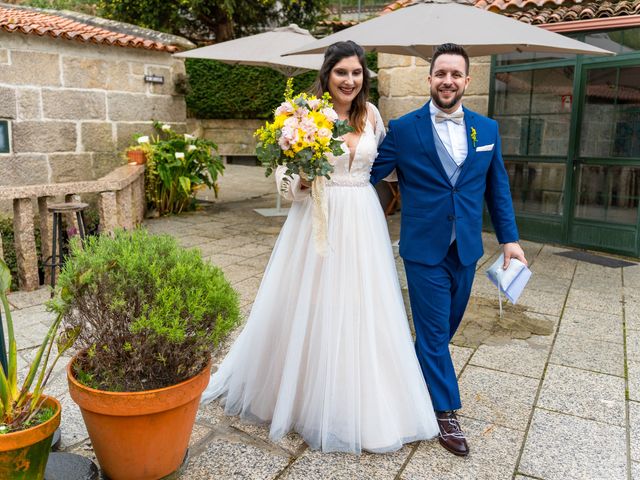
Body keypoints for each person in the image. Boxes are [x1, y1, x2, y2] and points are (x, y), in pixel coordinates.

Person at [200, 40, 439, 454]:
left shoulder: (373, 115)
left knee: (362, 304)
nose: (350, 80)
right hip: (315, 217)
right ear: (327, 74)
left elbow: (388, 164)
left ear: (364, 77)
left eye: (357, 73)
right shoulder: (304, 115)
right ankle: (295, 391)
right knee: (308, 300)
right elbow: (281, 178)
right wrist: (302, 182)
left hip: (362, 217)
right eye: (342, 72)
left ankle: (360, 398)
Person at [370, 43, 528, 457]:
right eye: (441, 73)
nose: (448, 81)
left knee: (444, 329)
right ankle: (444, 413)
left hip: (467, 251)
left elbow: (498, 189)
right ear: (430, 79)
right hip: (423, 250)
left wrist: (510, 239)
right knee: (436, 333)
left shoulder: (486, 130)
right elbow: (366, 176)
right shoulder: (403, 129)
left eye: (455, 74)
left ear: (467, 81)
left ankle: (409, 374)